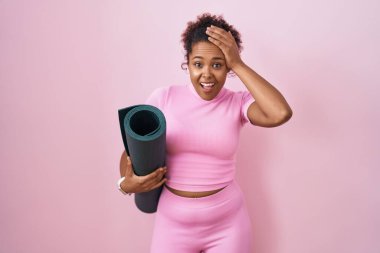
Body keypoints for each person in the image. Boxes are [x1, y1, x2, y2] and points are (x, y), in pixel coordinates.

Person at [118, 13, 292, 253]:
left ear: (228, 66)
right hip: (173, 224)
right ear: (187, 63)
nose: (207, 74)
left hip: (228, 225)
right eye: (198, 64)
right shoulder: (164, 98)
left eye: (218, 64)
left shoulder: (237, 103)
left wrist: (239, 64)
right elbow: (131, 155)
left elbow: (279, 113)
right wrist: (126, 184)